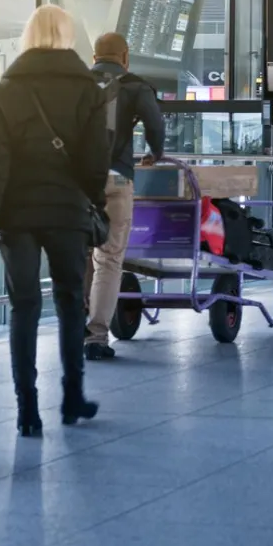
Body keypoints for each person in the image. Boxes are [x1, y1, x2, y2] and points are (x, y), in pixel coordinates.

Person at [0, 5, 111, 435]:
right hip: (68, 210)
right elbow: (95, 159)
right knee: (71, 302)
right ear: (69, 35)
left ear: (28, 36)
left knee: (24, 307)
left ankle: (27, 410)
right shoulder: (89, 89)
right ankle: (72, 398)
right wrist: (91, 199)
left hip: (17, 214)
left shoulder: (6, 91)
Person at [83, 32, 166, 361]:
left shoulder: (76, 85)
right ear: (125, 57)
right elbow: (155, 126)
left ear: (94, 57)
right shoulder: (136, 85)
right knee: (109, 257)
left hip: (77, 182)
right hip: (116, 177)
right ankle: (97, 338)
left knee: (79, 254)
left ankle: (75, 327)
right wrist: (153, 153)